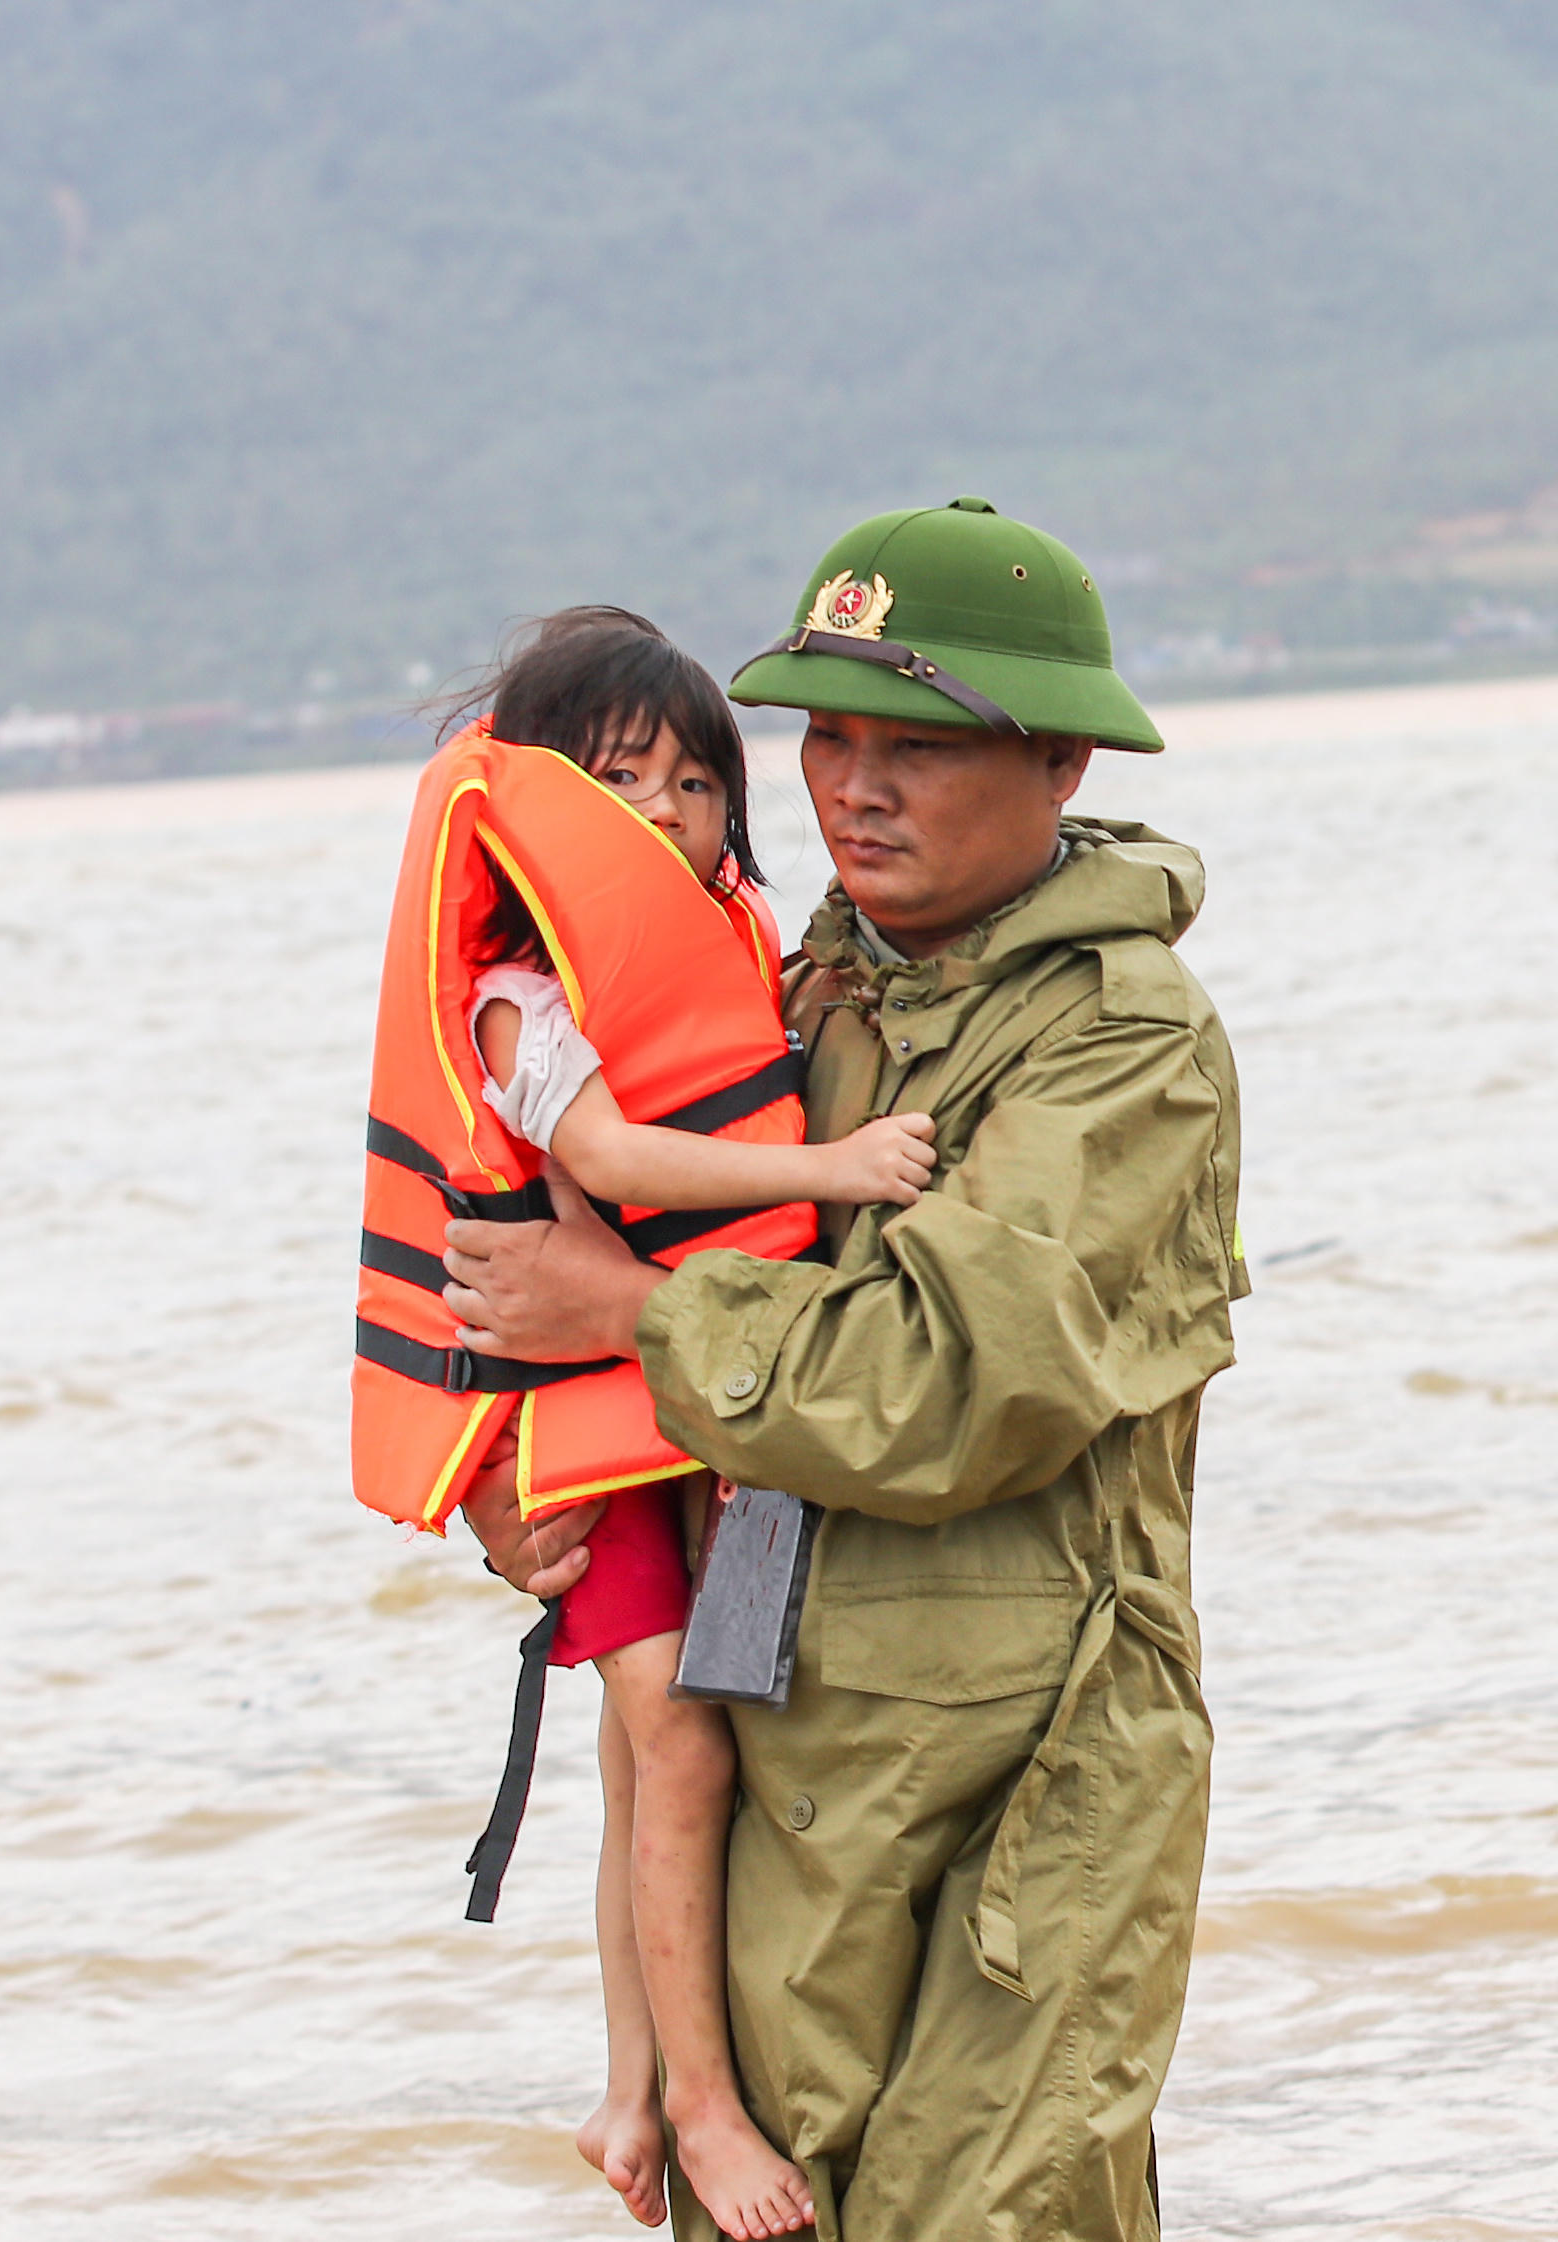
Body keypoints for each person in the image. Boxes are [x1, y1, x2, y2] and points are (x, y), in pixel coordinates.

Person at [443, 500, 1244, 2242]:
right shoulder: (798, 990)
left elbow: (941, 1381)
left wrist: (629, 1325)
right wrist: (525, 1497)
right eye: (827, 740)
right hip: (785, 1769)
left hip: (1028, 1790)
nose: (851, 790)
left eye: (916, 749)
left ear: (1053, 760)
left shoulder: (1123, 1039)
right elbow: (550, 1238)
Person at [359, 608, 945, 2236]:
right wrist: (836, 1168)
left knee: (648, 1766)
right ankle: (697, 2097)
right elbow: (613, 1166)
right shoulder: (521, 1000)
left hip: (682, 1422)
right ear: (544, 803)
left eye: (697, 781)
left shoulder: (732, 948)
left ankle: (625, 2080)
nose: (671, 814)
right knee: (677, 1748)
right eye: (623, 780)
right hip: (589, 1450)